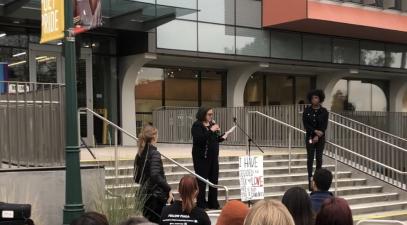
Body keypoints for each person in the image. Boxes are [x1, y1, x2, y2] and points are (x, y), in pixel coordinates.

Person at [134, 125, 173, 223]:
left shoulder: (139, 154)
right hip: (155, 197)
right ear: (154, 137)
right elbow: (155, 175)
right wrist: (168, 188)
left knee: (147, 222)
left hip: (144, 196)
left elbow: (136, 178)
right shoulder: (154, 153)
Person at [191, 107, 225, 209]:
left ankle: (213, 203)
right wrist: (211, 130)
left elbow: (214, 139)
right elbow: (200, 139)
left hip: (213, 158)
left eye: (212, 114)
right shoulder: (197, 125)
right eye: (209, 114)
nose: (211, 116)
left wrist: (222, 137)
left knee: (214, 180)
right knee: (202, 182)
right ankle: (201, 204)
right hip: (202, 158)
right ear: (203, 114)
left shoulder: (211, 125)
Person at [302, 89, 329, 191]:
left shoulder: (324, 111)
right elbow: (306, 125)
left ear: (320, 99)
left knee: (319, 158)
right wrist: (314, 133)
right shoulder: (307, 111)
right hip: (310, 138)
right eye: (313, 97)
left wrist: (318, 135)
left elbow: (324, 126)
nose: (314, 99)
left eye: (316, 97)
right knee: (310, 158)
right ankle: (310, 181)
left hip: (320, 139)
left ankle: (317, 181)